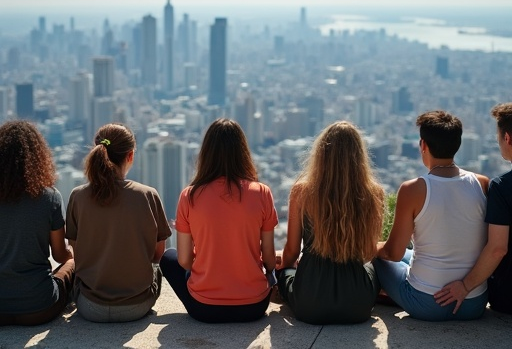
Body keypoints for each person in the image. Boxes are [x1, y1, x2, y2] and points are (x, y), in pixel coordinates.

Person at [159, 118, 278, 323]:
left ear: (206, 153)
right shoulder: (262, 193)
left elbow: (185, 260)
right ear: (243, 152)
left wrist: (206, 259)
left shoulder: (190, 196)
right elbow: (268, 256)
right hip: (253, 307)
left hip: (204, 309)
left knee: (169, 257)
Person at [375, 110, 489, 321]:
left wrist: (369, 247)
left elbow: (393, 253)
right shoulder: (482, 184)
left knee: (379, 258)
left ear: (423, 145)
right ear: (457, 144)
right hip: (473, 302)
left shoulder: (413, 190)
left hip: (426, 303)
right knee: (411, 254)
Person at [277, 121, 385, 324]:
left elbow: (291, 251)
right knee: (381, 264)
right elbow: (368, 252)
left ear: (320, 154)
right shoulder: (373, 194)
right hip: (358, 305)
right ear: (359, 156)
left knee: (285, 272)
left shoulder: (302, 192)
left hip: (309, 303)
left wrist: (287, 269)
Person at [66, 123, 171, 322]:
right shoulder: (147, 195)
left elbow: (76, 252)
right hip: (137, 306)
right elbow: (158, 255)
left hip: (89, 307)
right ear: (130, 156)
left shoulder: (78, 196)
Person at [435, 103, 512, 315]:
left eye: (498, 138)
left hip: (508, 298)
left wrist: (465, 286)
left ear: (508, 138)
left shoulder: (503, 187)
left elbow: (498, 248)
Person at [0, 120, 74, 326]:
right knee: (72, 262)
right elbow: (59, 255)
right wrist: (73, 255)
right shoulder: (49, 197)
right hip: (39, 308)